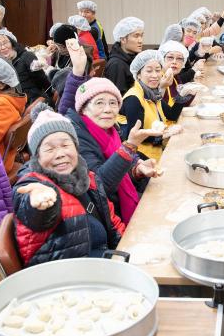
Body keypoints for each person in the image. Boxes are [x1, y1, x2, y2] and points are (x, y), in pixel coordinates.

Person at [11, 105, 123, 267]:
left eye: (65, 145)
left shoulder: (86, 177)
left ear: (76, 148)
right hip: (68, 277)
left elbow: (113, 222)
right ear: (37, 157)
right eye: (49, 149)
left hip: (104, 260)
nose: (60, 154)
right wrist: (39, 203)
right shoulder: (34, 185)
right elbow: (35, 213)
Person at [65, 77, 161, 223]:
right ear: (83, 108)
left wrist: (137, 170)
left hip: (117, 204)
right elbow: (100, 186)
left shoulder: (111, 130)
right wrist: (130, 147)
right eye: (99, 103)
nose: (108, 109)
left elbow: (118, 164)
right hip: (103, 217)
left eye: (113, 103)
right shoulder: (76, 139)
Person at [119, 50, 184, 160]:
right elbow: (136, 134)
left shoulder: (153, 94)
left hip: (156, 149)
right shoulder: (134, 98)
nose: (155, 75)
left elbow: (171, 115)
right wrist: (163, 135)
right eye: (149, 71)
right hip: (140, 157)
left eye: (158, 70)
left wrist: (183, 96)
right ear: (138, 75)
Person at [0, 29, 51, 105]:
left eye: (5, 42)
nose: (3, 47)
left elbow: (43, 81)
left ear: (12, 43)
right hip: (10, 101)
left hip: (31, 100)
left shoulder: (26, 56)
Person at [158, 40, 203, 115]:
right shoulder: (158, 79)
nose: (174, 62)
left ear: (183, 63)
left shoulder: (176, 78)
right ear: (162, 59)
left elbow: (181, 105)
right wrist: (161, 88)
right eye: (170, 57)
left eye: (179, 59)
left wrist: (191, 92)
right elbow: (165, 113)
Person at [105, 16, 145, 94]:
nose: (140, 40)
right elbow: (118, 98)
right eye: (136, 36)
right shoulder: (116, 65)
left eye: (141, 35)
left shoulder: (133, 58)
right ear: (123, 39)